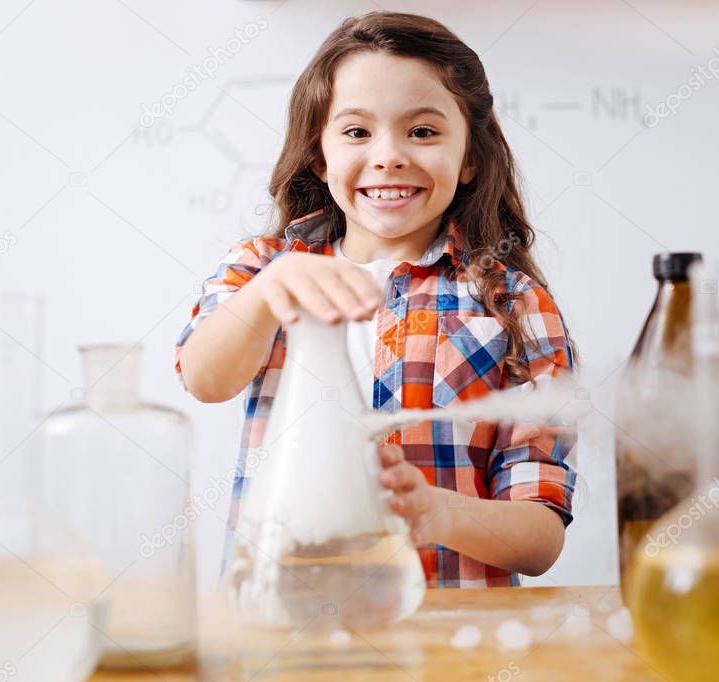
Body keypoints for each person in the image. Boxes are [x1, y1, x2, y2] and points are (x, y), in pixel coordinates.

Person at [175, 10, 579, 588]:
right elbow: (203, 378)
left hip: (449, 651)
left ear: (469, 158)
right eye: (357, 132)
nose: (388, 155)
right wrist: (270, 291)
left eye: (422, 131)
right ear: (320, 153)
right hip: (285, 633)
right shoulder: (264, 269)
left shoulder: (512, 304)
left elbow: (540, 541)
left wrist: (438, 512)